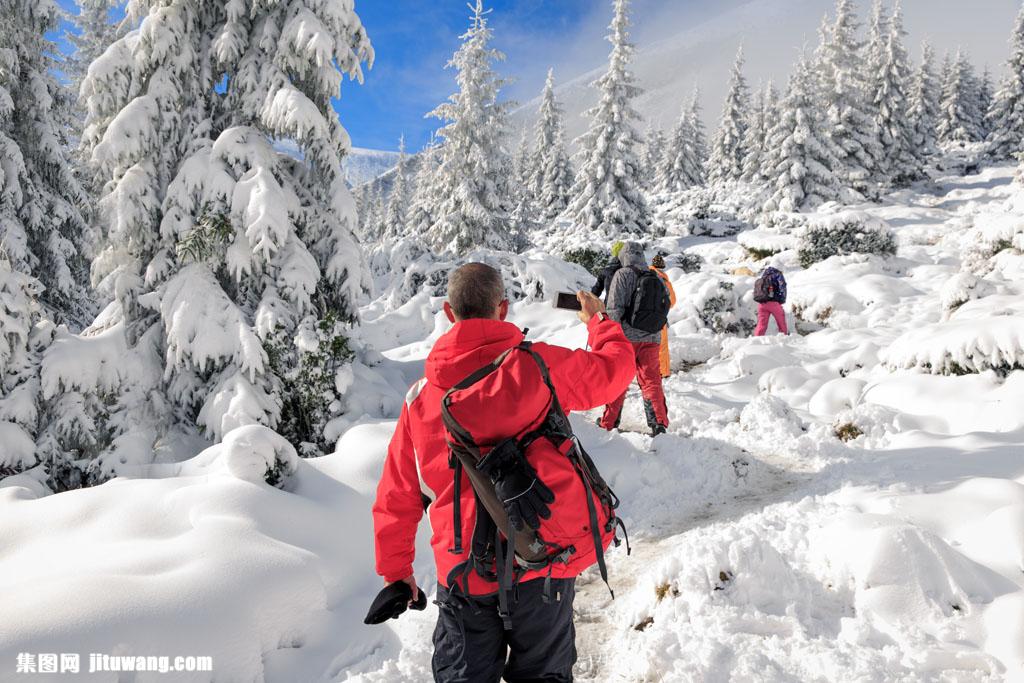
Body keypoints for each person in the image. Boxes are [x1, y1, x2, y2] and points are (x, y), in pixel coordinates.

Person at [372, 263, 635, 683]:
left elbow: (398, 496)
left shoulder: (420, 399)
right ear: (504, 309)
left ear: (448, 312)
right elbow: (615, 372)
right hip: (541, 560)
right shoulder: (539, 367)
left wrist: (397, 572)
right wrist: (599, 322)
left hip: (463, 576)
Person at [598, 241, 671, 436]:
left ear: (623, 256)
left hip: (627, 338)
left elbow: (614, 309)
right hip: (653, 337)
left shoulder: (623, 274)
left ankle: (609, 422)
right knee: (651, 381)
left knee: (619, 378)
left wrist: (612, 334)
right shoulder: (655, 275)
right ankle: (659, 424)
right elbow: (666, 304)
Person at [650, 254, 676, 379]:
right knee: (661, 345)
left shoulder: (643, 275)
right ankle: (662, 372)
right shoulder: (664, 280)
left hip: (640, 318)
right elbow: (672, 301)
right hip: (659, 317)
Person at [753, 266, 789, 336]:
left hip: (762, 303)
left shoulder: (764, 275)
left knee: (761, 325)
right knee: (781, 322)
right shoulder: (778, 274)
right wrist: (781, 300)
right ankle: (784, 338)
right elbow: (782, 286)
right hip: (773, 303)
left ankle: (756, 340)